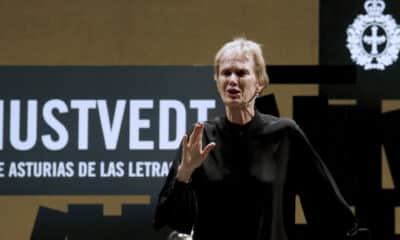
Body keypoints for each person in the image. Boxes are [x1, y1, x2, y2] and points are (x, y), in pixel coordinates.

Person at [153, 38, 361, 240]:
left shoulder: (285, 135)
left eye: (242, 73)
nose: (232, 80)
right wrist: (185, 173)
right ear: (217, 82)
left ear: (260, 83)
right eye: (225, 73)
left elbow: (329, 210)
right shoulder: (201, 138)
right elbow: (173, 221)